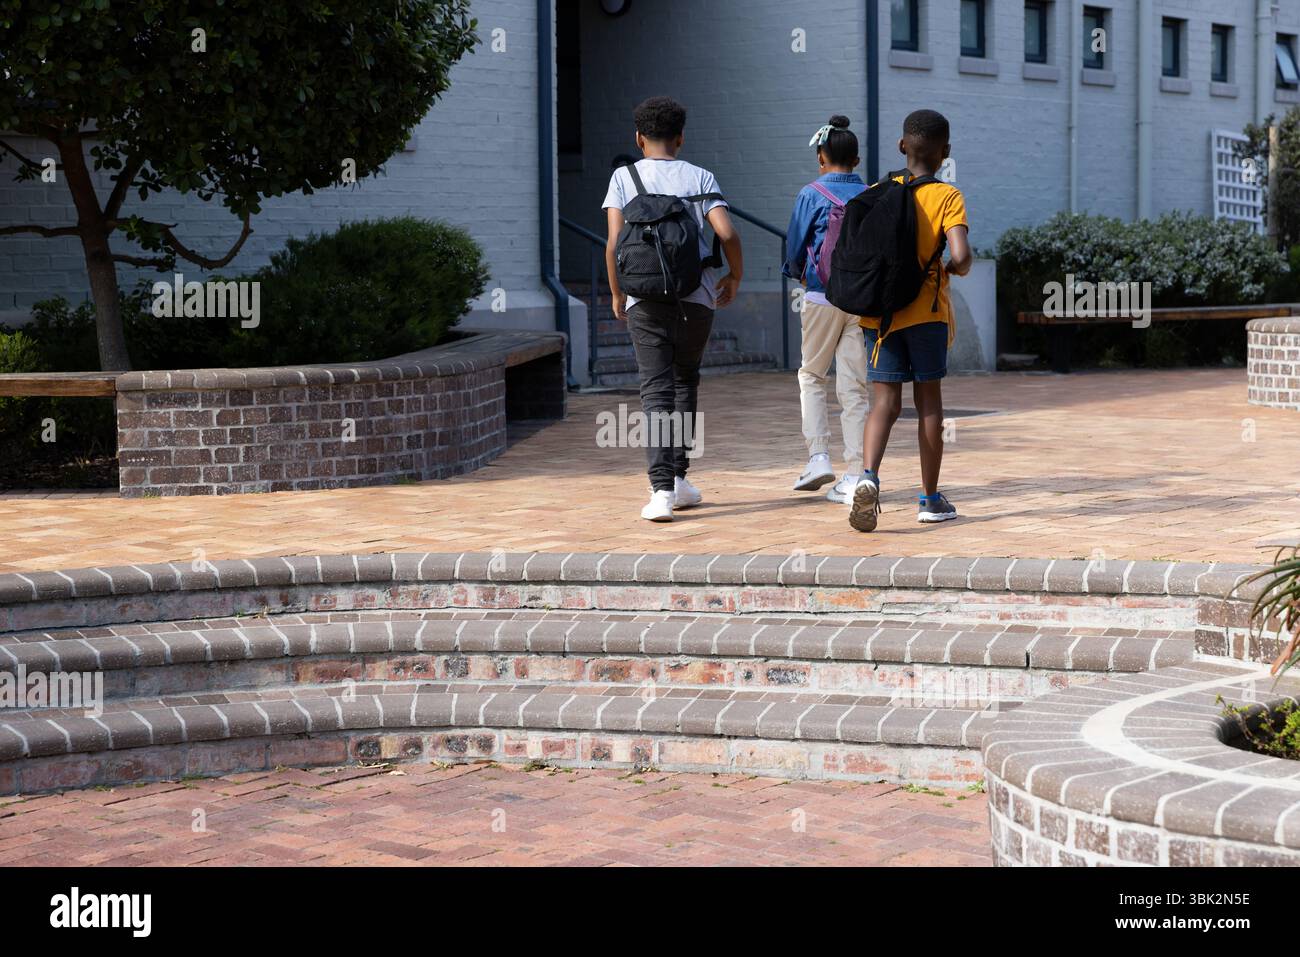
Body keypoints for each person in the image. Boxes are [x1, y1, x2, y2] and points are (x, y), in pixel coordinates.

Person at [603, 96, 743, 523]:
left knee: (655, 390)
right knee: (685, 381)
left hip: (643, 298)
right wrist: (734, 275)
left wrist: (616, 293)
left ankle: (661, 489)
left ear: (639, 137)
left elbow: (612, 244)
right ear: (680, 138)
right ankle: (679, 479)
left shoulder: (624, 177)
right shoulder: (699, 176)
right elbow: (727, 232)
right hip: (695, 297)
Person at [848, 109, 971, 532]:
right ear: (946, 152)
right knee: (929, 404)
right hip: (927, 314)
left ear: (903, 146)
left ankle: (867, 478)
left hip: (880, 314)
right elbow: (961, 256)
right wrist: (951, 270)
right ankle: (930, 499)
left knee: (883, 403)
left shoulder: (880, 189)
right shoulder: (947, 196)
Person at [782, 115, 870, 504]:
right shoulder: (872, 195)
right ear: (857, 158)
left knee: (812, 375)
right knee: (854, 388)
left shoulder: (811, 193)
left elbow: (794, 248)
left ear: (822, 157)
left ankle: (818, 456)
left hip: (820, 297)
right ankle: (855, 474)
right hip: (862, 301)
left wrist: (799, 276)